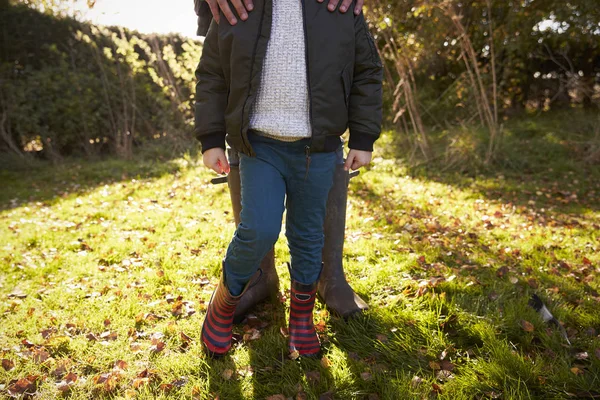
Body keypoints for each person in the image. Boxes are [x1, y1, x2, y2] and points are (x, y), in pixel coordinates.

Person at [195, 0, 383, 358]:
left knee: (309, 236)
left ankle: (301, 318)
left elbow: (367, 71)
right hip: (259, 145)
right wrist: (210, 138)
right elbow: (212, 73)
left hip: (319, 148)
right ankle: (223, 302)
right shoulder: (240, 8)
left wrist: (362, 137)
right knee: (258, 230)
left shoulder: (339, 8)